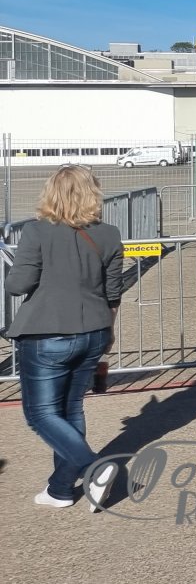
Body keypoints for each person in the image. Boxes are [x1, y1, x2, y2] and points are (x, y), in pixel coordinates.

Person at [3, 165, 134, 511]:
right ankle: (60, 488)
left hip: (47, 332)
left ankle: (94, 467)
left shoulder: (36, 232)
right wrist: (109, 332)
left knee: (40, 414)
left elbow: (17, 285)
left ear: (51, 194)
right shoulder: (109, 234)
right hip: (94, 330)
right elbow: (113, 293)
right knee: (70, 409)